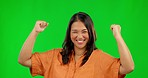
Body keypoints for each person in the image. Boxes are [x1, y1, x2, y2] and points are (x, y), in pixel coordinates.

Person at [18, 12, 134, 78]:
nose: (79, 36)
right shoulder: (54, 56)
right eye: (75, 32)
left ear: (91, 33)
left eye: (84, 31)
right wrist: (35, 32)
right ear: (69, 34)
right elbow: (23, 60)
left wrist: (118, 36)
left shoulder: (100, 59)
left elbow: (128, 67)